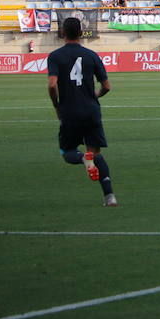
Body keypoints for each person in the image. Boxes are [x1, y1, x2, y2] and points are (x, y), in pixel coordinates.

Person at [46, 17, 117, 206]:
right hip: (91, 110)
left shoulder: (55, 56)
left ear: (62, 33)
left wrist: (56, 105)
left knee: (68, 151)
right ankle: (110, 197)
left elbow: (52, 84)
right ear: (81, 33)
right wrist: (94, 95)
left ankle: (82, 159)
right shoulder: (92, 55)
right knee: (96, 153)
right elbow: (107, 86)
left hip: (69, 111)